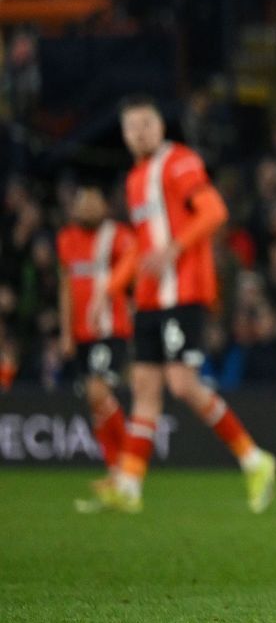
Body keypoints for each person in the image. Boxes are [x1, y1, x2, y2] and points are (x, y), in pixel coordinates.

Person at [91, 96, 276, 514]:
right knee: (145, 390)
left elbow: (214, 211)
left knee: (182, 384)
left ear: (160, 127)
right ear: (123, 135)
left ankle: (254, 458)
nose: (139, 132)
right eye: (131, 126)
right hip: (152, 298)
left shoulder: (179, 162)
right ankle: (130, 488)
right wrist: (112, 287)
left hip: (185, 292)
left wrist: (175, 248)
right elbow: (142, 244)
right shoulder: (136, 178)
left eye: (146, 123)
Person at [57, 185, 138, 511]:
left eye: (94, 201)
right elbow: (65, 287)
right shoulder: (66, 239)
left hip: (111, 328)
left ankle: (127, 468)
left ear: (105, 206)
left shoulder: (118, 236)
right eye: (83, 201)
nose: (88, 207)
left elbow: (133, 272)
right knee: (96, 403)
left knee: (97, 391)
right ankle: (116, 472)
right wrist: (65, 332)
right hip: (81, 333)